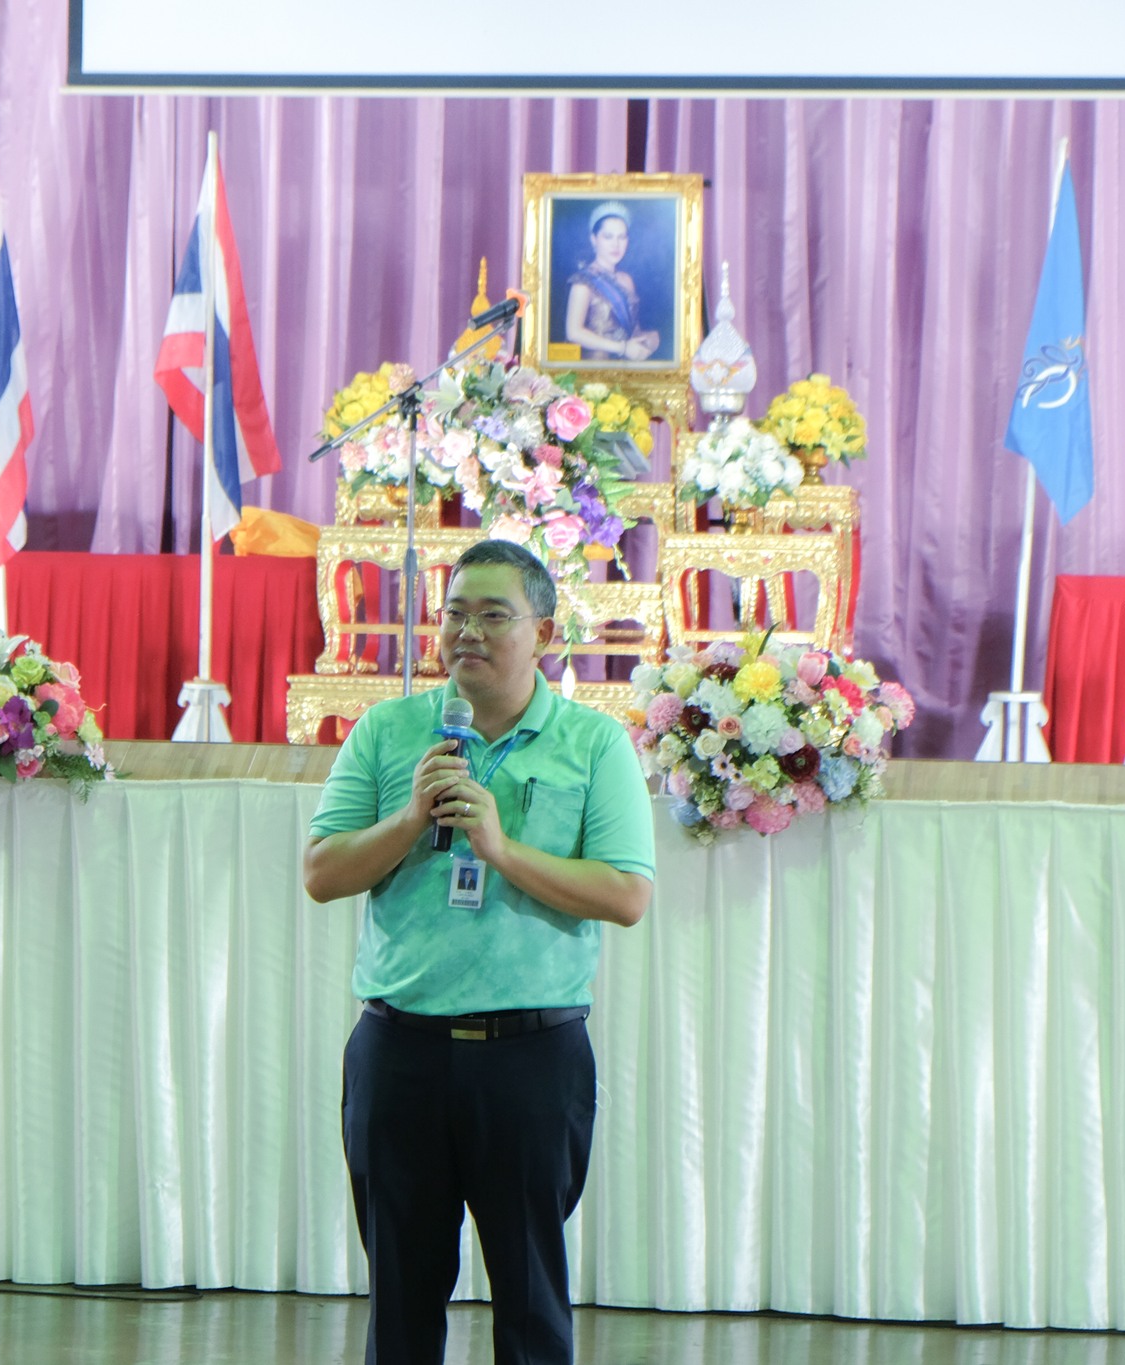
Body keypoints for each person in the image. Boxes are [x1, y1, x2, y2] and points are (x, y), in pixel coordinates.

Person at [303, 540, 656, 1365]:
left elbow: (626, 894)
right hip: (400, 1052)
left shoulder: (594, 743)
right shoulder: (390, 729)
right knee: (400, 1295)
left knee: (531, 1298)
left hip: (531, 1057)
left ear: (545, 632)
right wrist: (407, 819)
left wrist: (500, 849)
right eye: (455, 611)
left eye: (494, 614)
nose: (468, 630)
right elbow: (322, 873)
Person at [562, 201, 660, 362]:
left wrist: (646, 340)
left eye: (621, 237)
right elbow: (573, 332)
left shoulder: (627, 280)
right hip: (594, 370)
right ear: (594, 239)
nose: (616, 245)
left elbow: (632, 330)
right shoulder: (582, 283)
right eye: (608, 237)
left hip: (625, 368)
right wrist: (622, 348)